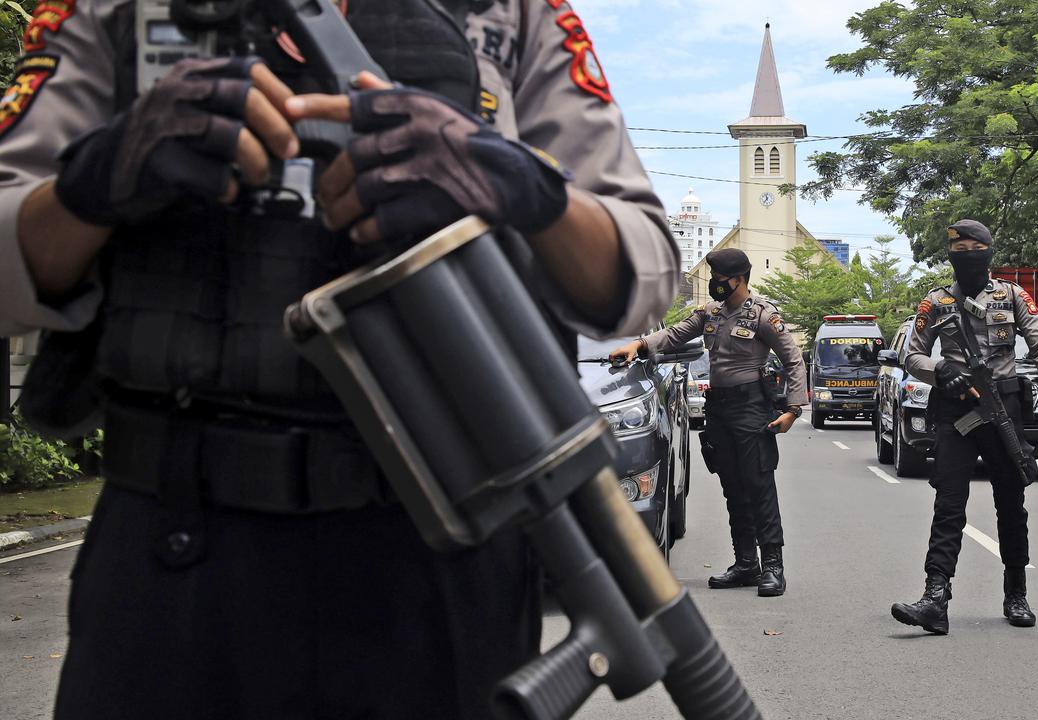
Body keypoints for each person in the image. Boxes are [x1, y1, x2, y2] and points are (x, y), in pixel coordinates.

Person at [0, 2, 678, 717]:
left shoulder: (514, 13)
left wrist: (515, 186)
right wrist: (99, 177)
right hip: (174, 556)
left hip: (441, 556)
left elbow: (643, 271)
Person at [890, 220, 1038, 635]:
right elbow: (912, 355)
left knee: (1011, 503)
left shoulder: (1011, 295)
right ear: (950, 254)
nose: (966, 253)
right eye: (959, 247)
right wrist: (942, 371)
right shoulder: (934, 302)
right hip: (956, 410)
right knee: (948, 503)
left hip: (1002, 406)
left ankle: (1016, 592)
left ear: (988, 251)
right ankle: (936, 597)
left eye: (975, 246)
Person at [609, 248, 807, 597]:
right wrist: (638, 344)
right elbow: (672, 335)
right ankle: (746, 563)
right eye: (713, 279)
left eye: (720, 280)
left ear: (739, 279)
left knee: (758, 487)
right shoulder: (710, 313)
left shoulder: (763, 315)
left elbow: (793, 359)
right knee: (732, 488)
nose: (715, 285)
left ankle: (773, 566)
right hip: (720, 411)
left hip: (752, 410)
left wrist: (793, 409)